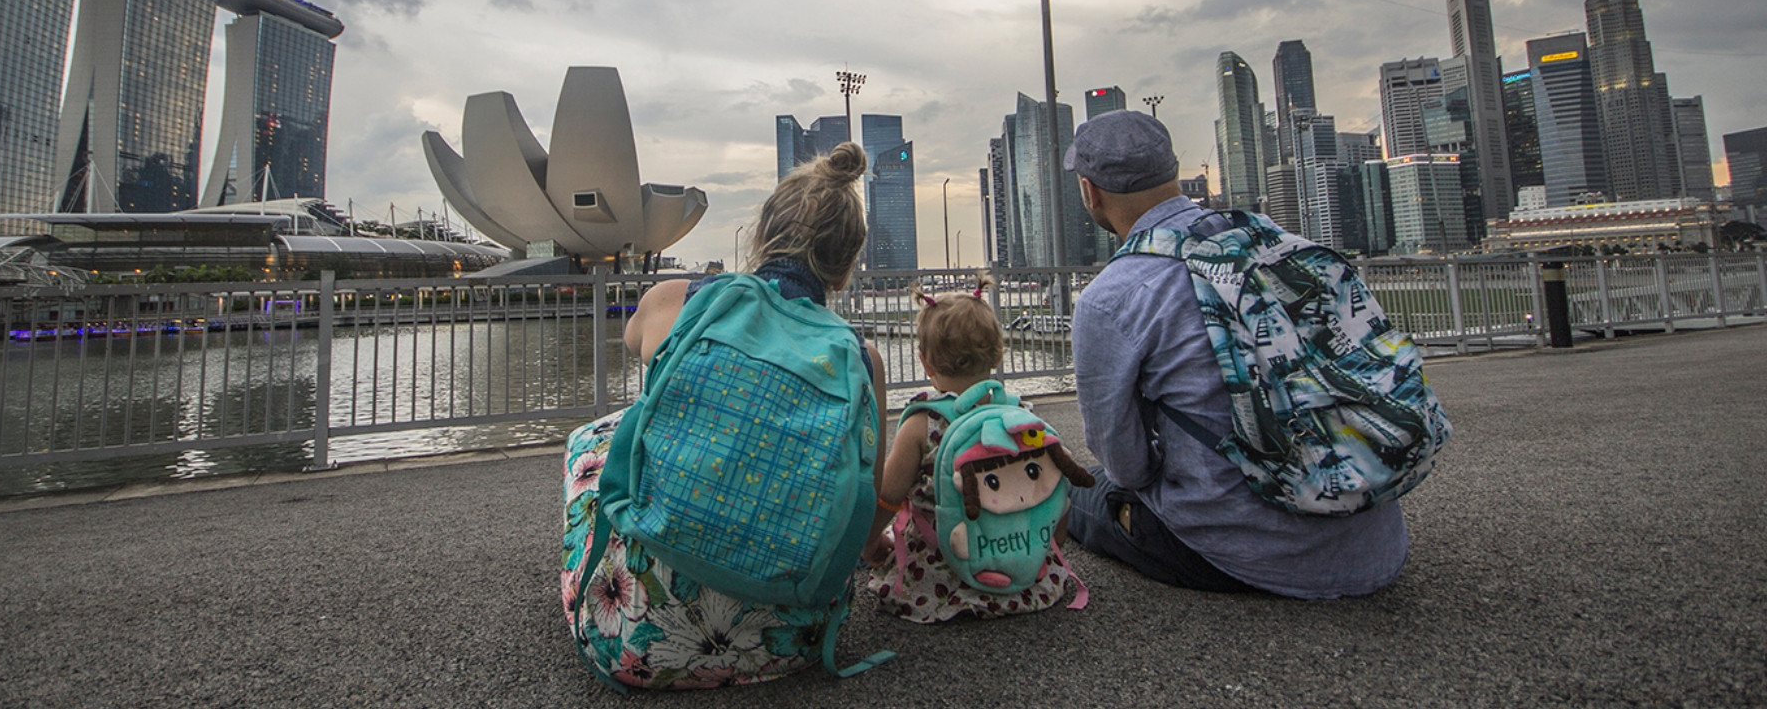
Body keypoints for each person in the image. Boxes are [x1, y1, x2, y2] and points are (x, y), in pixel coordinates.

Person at [560, 141, 889, 689]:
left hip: (636, 639)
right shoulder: (861, 359)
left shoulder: (678, 301)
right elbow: (867, 503)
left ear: (760, 238)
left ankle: (617, 580)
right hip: (792, 643)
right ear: (843, 269)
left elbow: (635, 340)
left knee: (593, 438)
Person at [1061, 110, 1409, 598]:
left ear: (1090, 191)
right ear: (1172, 170)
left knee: (1075, 488)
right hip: (1376, 540)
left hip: (1243, 553)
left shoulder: (1112, 296)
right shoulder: (1283, 245)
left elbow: (1128, 467)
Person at [862, 273, 1086, 622]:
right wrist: (1045, 550)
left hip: (939, 576)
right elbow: (1052, 493)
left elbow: (888, 498)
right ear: (997, 355)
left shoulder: (923, 422)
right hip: (1022, 569)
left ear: (925, 362)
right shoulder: (1020, 417)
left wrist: (870, 544)